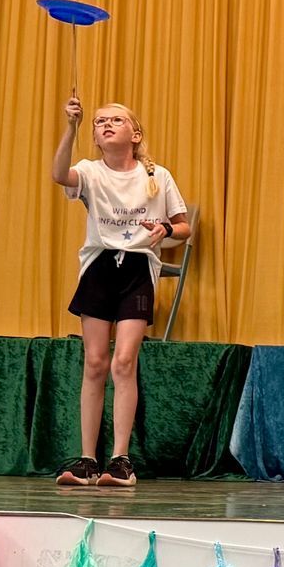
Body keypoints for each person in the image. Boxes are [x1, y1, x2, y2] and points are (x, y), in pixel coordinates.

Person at [49, 95, 191, 487]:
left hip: (137, 269)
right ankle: (87, 460)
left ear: (135, 134)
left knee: (123, 362)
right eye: (99, 122)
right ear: (94, 137)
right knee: (95, 363)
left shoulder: (157, 176)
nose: (106, 125)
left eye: (116, 120)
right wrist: (71, 127)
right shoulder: (89, 171)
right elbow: (59, 174)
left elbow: (184, 226)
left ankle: (121, 461)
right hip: (99, 268)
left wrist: (166, 230)